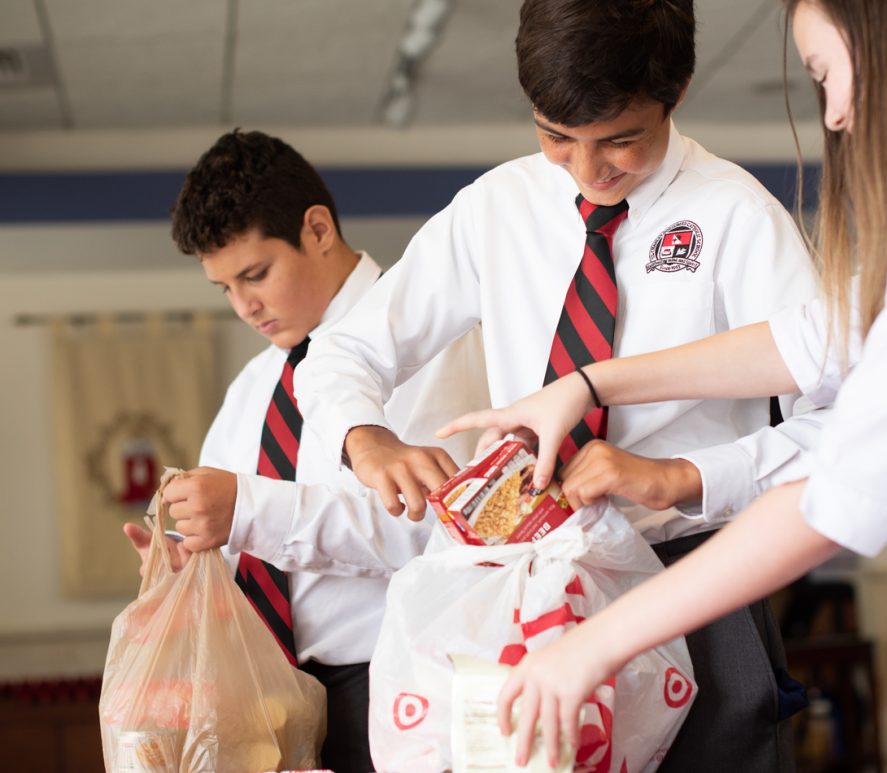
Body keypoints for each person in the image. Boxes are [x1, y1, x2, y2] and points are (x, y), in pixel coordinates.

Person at [440, 1, 887, 769]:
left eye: (824, 73)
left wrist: (597, 643)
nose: (838, 114)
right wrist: (587, 383)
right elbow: (815, 337)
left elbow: (837, 494)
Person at [295, 1, 827, 769]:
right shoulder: (494, 211)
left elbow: (835, 429)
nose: (588, 169)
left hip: (694, 571)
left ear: (673, 99)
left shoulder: (738, 217)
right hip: (526, 583)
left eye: (620, 140)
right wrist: (362, 434)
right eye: (555, 137)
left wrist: (678, 476)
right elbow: (344, 350)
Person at [122, 129, 489, 771]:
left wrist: (247, 511)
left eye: (256, 275)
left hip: (398, 683)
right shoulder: (251, 389)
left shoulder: (436, 347)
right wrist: (201, 567)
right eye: (225, 288)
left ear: (317, 229)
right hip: (273, 703)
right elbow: (252, 544)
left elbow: (440, 530)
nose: (245, 306)